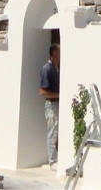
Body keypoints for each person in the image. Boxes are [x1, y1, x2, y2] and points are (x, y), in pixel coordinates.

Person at [39, 43, 60, 171]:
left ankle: (56, 158)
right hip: (51, 104)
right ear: (52, 55)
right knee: (52, 132)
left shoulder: (57, 69)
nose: (59, 57)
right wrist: (58, 95)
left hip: (57, 104)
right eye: (58, 55)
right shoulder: (47, 69)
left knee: (56, 131)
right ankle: (52, 161)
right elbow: (42, 92)